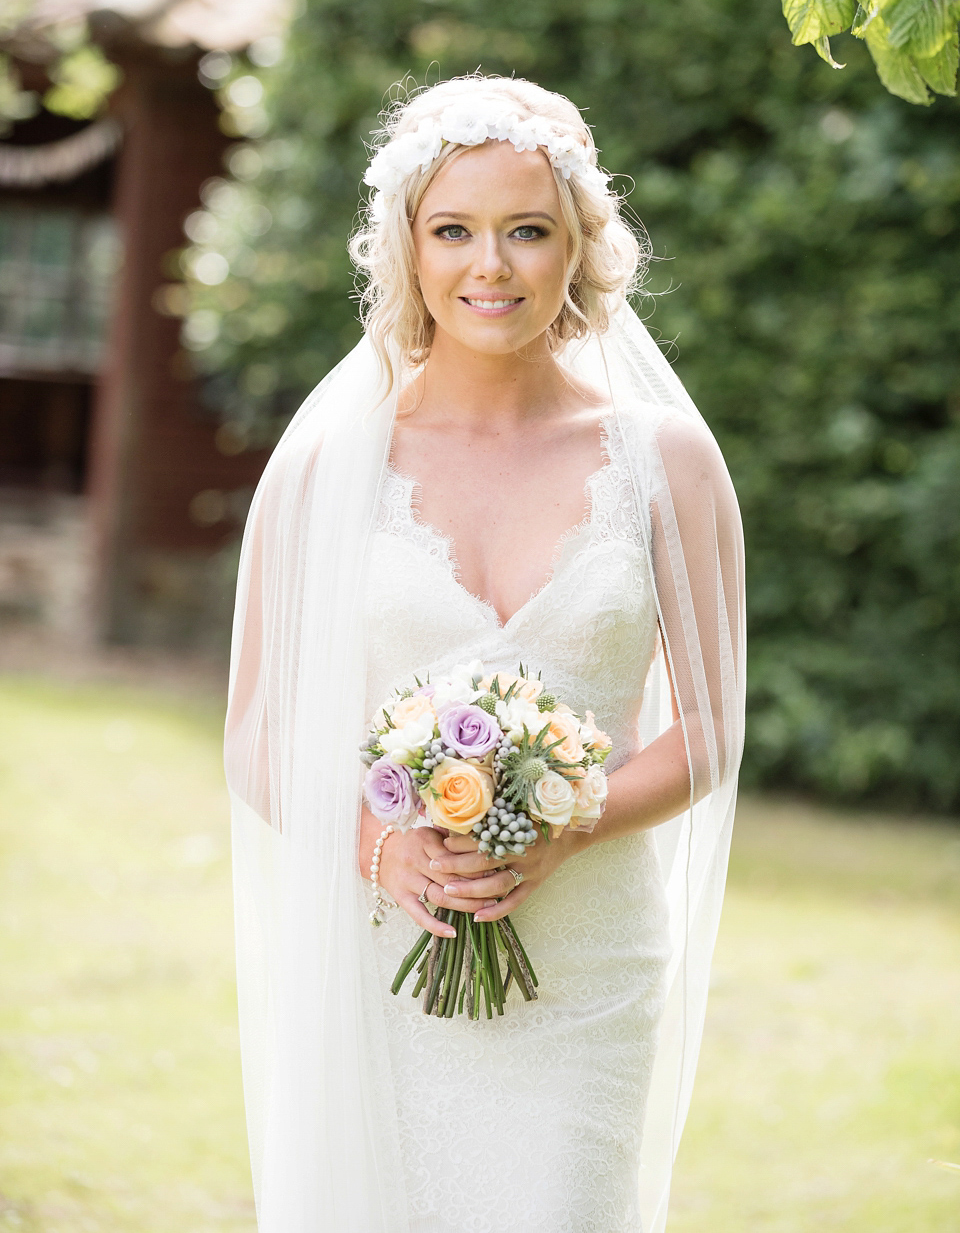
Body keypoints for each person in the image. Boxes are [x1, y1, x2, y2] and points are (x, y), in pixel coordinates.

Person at [224, 75, 745, 1233]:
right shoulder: (326, 467)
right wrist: (380, 847)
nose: (490, 267)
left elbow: (712, 728)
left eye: (527, 231)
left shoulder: (666, 462)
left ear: (580, 251)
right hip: (385, 946)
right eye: (453, 230)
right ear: (407, 247)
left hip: (591, 963)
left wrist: (568, 816)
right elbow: (256, 731)